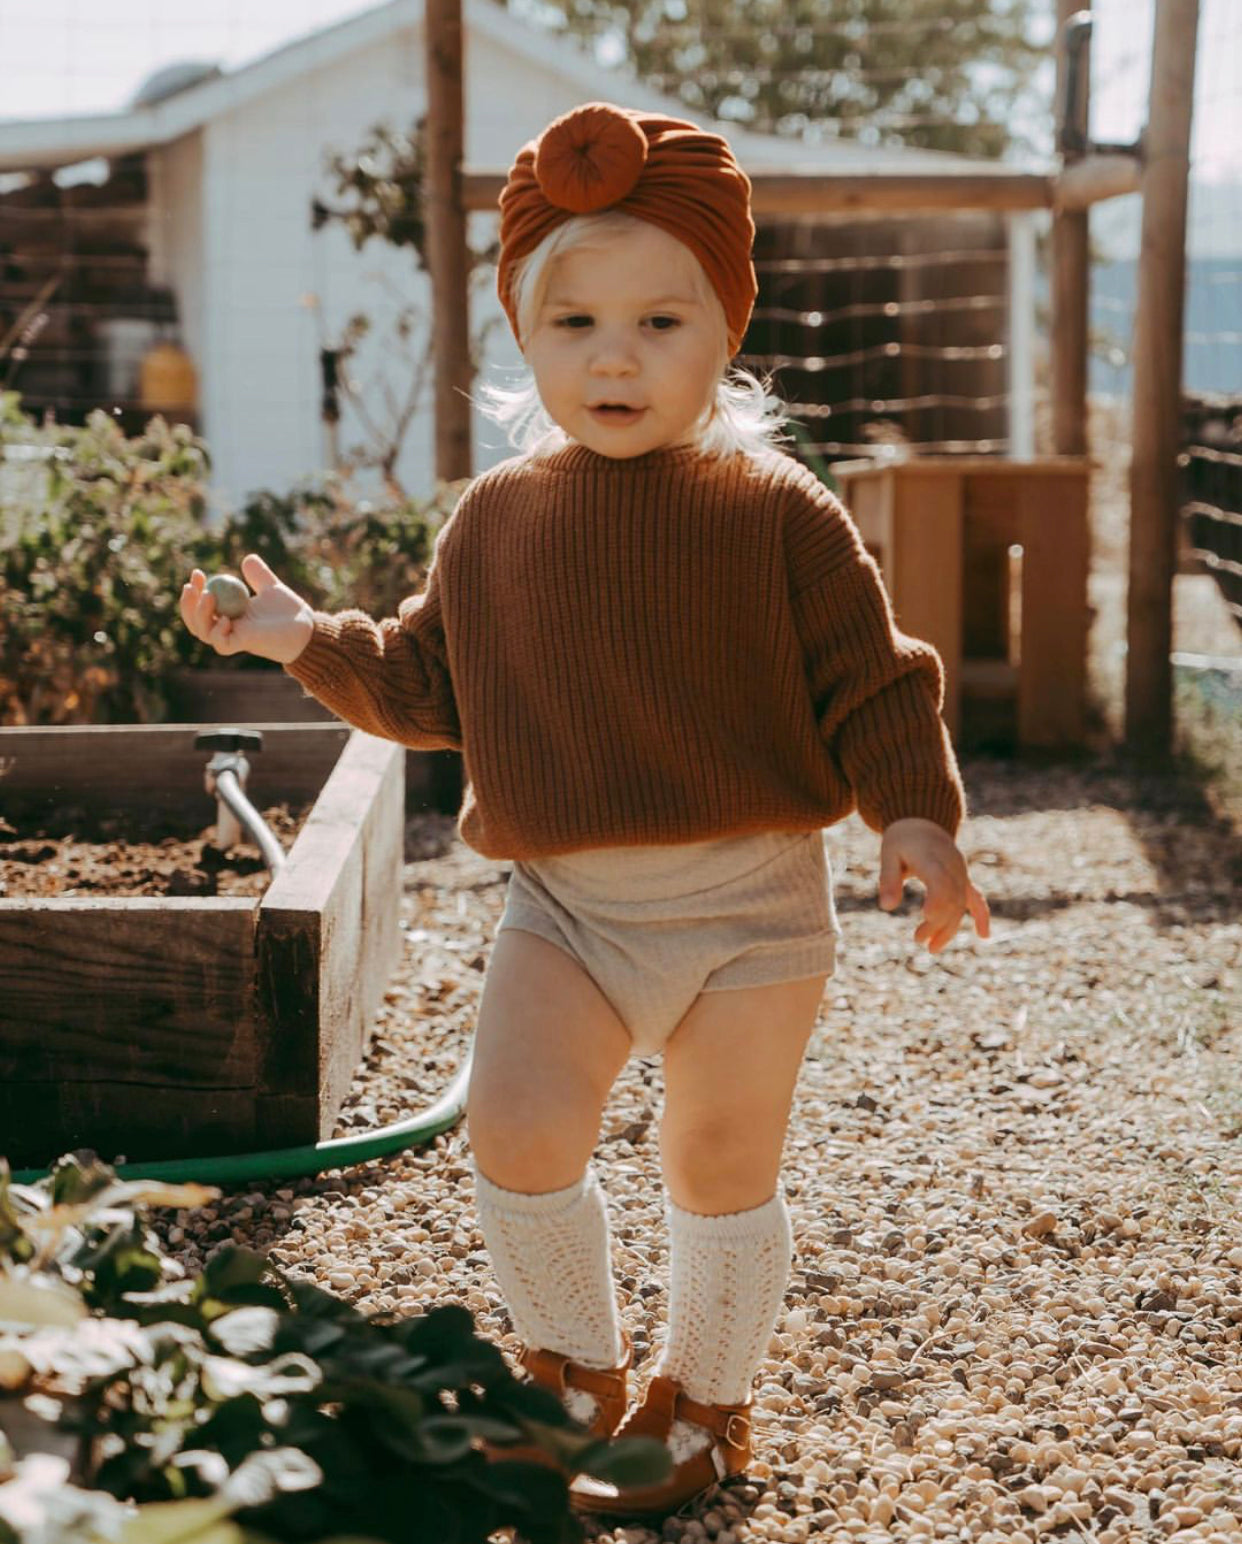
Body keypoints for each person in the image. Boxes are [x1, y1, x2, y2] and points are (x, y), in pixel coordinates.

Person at [180, 100, 991, 1521]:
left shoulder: (776, 513)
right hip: (566, 908)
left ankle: (705, 1403)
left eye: (660, 323)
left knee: (719, 1159)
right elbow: (432, 686)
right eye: (575, 326)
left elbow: (874, 683)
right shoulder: (496, 519)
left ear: (723, 332)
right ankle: (570, 1374)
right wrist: (298, 636)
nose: (615, 356)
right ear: (522, 337)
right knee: (517, 1125)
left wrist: (913, 819)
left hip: (748, 910)